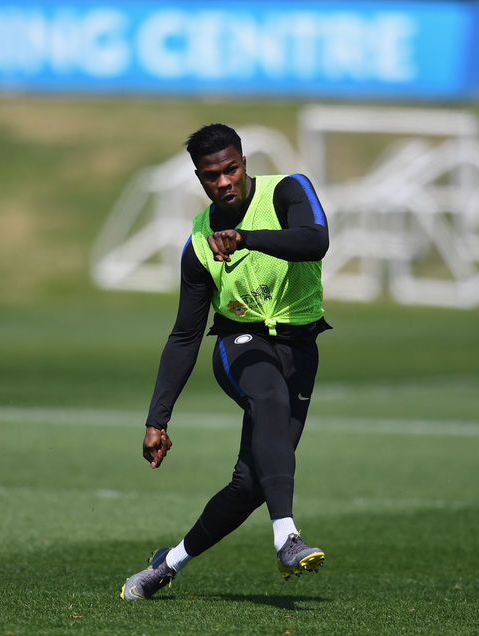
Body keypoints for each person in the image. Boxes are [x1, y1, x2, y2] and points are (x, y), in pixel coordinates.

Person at [121, 123, 331, 600]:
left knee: (251, 484)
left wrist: (247, 238)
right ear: (200, 178)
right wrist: (157, 419)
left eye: (231, 170)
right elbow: (184, 336)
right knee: (269, 397)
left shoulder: (288, 191)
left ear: (244, 163)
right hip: (240, 343)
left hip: (300, 348)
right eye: (211, 176)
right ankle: (287, 537)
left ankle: (166, 565)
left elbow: (314, 241)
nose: (224, 182)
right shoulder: (199, 245)